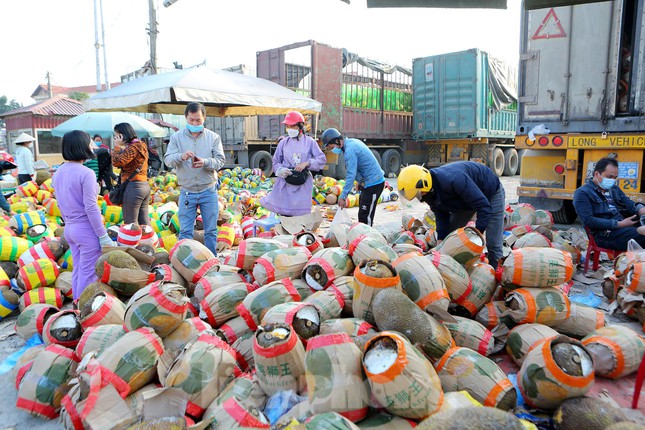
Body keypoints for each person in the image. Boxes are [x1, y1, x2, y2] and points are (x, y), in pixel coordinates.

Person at [397, 162, 505, 269]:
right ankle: (452, 267)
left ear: (423, 185)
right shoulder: (428, 192)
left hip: (489, 194)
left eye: (418, 195)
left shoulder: (454, 180)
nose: (419, 198)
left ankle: (497, 276)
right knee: (450, 237)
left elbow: (484, 207)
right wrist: (441, 240)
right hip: (464, 202)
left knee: (493, 244)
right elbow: (441, 214)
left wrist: (477, 235)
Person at [51, 130, 112, 300]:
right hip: (86, 230)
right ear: (82, 147)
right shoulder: (86, 173)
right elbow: (91, 207)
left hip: (69, 228)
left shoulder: (59, 173)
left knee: (78, 270)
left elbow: (59, 203)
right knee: (89, 274)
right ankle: (82, 310)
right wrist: (103, 235)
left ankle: (76, 305)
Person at [164, 102, 225, 255]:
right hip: (187, 192)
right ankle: (186, 261)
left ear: (204, 118)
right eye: (191, 120)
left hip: (208, 190)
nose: (195, 123)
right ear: (186, 118)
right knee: (185, 232)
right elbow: (167, 160)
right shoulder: (177, 138)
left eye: (198, 120)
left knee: (210, 230)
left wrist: (205, 162)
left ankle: (211, 259)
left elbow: (220, 161)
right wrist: (180, 156)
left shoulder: (213, 137)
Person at [260, 111, 326, 217]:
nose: (289, 128)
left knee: (300, 217)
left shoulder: (310, 142)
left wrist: (307, 163)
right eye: (287, 126)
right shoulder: (283, 143)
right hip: (285, 182)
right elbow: (275, 161)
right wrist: (280, 170)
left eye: (292, 126)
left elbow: (321, 159)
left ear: (300, 126)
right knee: (284, 215)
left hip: (302, 182)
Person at [573, 157, 645, 250]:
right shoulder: (582, 193)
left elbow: (629, 203)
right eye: (609, 177)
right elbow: (589, 220)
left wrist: (641, 209)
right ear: (597, 174)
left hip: (623, 228)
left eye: (615, 178)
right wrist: (620, 224)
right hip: (604, 235)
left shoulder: (614, 189)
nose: (612, 180)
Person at [321, 128, 384, 226]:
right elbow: (360, 165)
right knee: (362, 214)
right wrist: (360, 181)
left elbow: (351, 174)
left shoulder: (350, 150)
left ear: (336, 141)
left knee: (366, 217)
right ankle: (362, 237)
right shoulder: (350, 143)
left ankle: (367, 238)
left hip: (374, 184)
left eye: (330, 146)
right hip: (367, 183)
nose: (331, 149)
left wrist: (343, 196)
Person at [111, 123, 150, 225]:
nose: (115, 138)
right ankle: (151, 240)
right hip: (143, 186)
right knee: (144, 223)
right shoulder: (141, 145)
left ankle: (134, 241)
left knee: (130, 223)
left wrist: (117, 146)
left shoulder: (133, 147)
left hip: (134, 186)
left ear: (123, 135)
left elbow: (117, 162)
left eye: (117, 136)